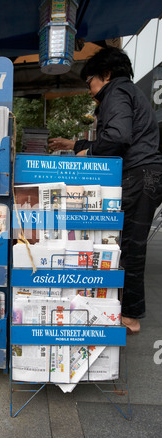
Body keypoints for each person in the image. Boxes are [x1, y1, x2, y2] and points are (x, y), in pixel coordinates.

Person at [48, 47, 162, 334]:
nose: (90, 91)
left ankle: (131, 315)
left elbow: (118, 135)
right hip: (145, 174)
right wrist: (73, 145)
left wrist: (88, 152)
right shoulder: (129, 92)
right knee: (125, 242)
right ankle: (121, 306)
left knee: (130, 246)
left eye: (90, 83)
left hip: (139, 175)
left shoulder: (116, 92)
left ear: (107, 74)